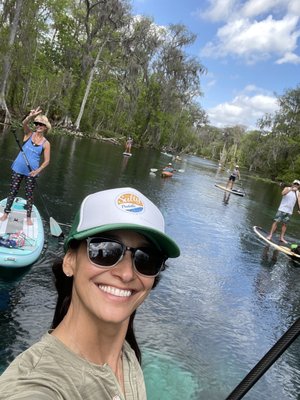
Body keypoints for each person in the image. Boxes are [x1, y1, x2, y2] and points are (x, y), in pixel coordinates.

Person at [0, 187, 180, 399]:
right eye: (104, 250)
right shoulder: (34, 384)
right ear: (70, 261)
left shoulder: (127, 356)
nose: (126, 273)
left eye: (146, 258)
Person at [0, 107, 51, 226]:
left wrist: (37, 171)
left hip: (31, 172)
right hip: (18, 167)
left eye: (41, 124)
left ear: (45, 127)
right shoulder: (28, 133)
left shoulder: (46, 143)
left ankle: (28, 216)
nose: (38, 126)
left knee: (29, 194)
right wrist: (31, 116)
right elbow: (24, 123)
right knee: (13, 191)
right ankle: (6, 213)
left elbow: (47, 161)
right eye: (37, 123)